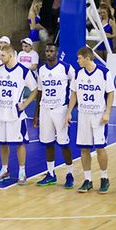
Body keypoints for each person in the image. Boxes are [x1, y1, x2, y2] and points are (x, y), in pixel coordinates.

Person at [66, 47, 114, 193]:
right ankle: (88, 180)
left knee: (100, 148)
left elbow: (110, 93)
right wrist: (69, 112)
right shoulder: (78, 73)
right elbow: (74, 94)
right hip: (83, 115)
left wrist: (107, 112)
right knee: (84, 148)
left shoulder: (104, 72)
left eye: (79, 58)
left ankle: (104, 178)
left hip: (98, 115)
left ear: (87, 58)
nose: (77, 60)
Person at [0, 45, 37, 184]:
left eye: (2, 56)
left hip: (16, 114)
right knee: (3, 143)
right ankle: (4, 169)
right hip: (1, 112)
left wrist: (25, 104)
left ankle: (22, 171)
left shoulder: (23, 71)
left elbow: (35, 89)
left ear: (11, 56)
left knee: (19, 143)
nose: (0, 58)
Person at [32, 43, 75, 188]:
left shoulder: (66, 68)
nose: (49, 53)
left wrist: (71, 109)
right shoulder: (42, 70)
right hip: (45, 109)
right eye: (47, 51)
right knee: (48, 143)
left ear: (57, 52)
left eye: (51, 51)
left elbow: (76, 88)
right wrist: (36, 114)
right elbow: (39, 92)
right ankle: (51, 174)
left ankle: (70, 174)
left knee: (63, 143)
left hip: (60, 109)